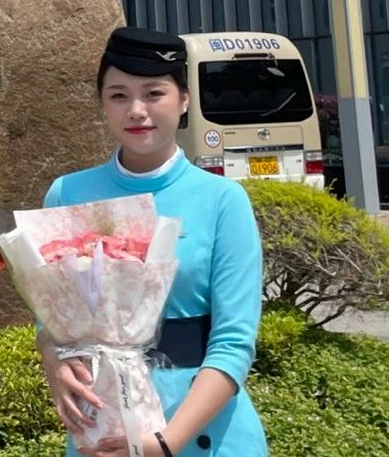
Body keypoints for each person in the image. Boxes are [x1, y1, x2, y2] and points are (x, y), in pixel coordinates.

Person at [38, 27, 266, 456]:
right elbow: (52, 319)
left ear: (184, 100)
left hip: (202, 432)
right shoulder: (68, 193)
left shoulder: (222, 200)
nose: (136, 110)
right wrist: (54, 360)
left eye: (154, 94)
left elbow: (234, 342)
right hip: (103, 426)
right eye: (118, 95)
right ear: (102, 103)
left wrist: (166, 443)